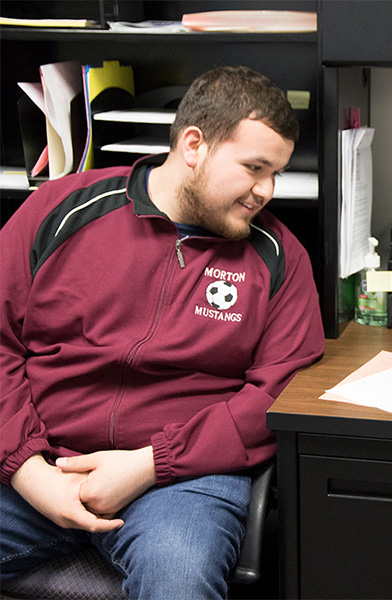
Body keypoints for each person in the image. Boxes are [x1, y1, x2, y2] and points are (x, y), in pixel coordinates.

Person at [0, 65, 325, 599]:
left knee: (179, 581)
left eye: (277, 174)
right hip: (38, 459)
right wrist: (27, 470)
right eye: (254, 168)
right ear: (193, 144)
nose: (266, 191)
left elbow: (278, 396)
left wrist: (151, 465)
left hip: (182, 478)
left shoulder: (277, 256)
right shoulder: (62, 209)